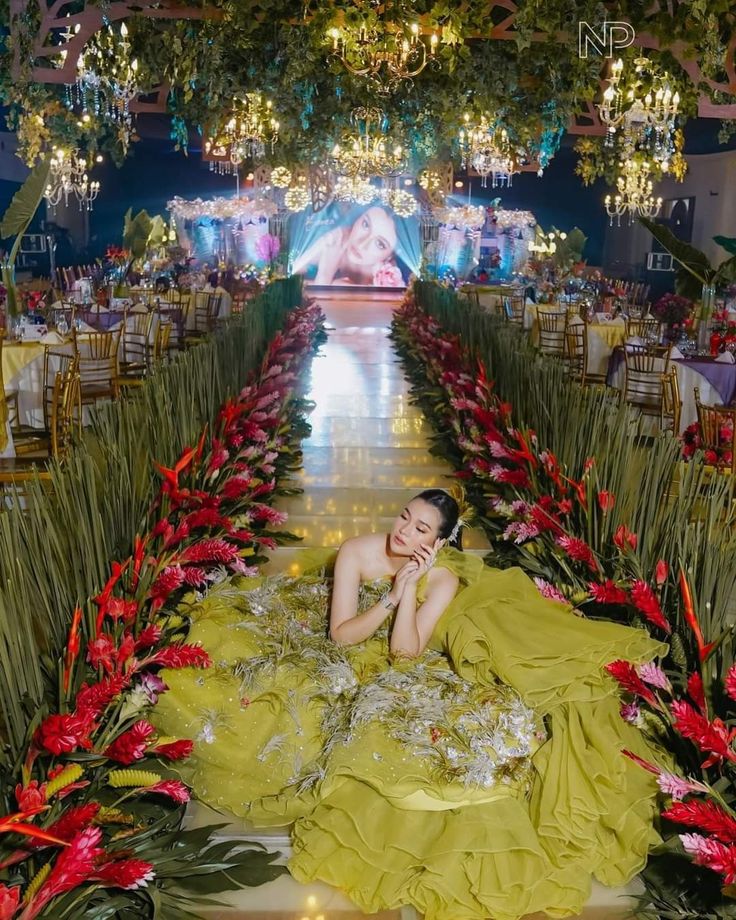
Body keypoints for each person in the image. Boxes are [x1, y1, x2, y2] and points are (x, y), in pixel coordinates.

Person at [154, 489, 666, 920]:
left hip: (397, 650)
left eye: (423, 529)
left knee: (442, 729)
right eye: (405, 518)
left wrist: (411, 586)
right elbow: (340, 635)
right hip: (353, 638)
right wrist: (388, 598)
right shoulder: (356, 551)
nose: (405, 532)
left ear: (440, 542)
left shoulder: (441, 577)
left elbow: (404, 653)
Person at [291, 205, 404, 286]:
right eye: (365, 224)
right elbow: (285, 286)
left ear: (390, 256)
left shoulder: (388, 281)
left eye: (380, 244)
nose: (361, 243)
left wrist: (324, 277)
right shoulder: (337, 239)